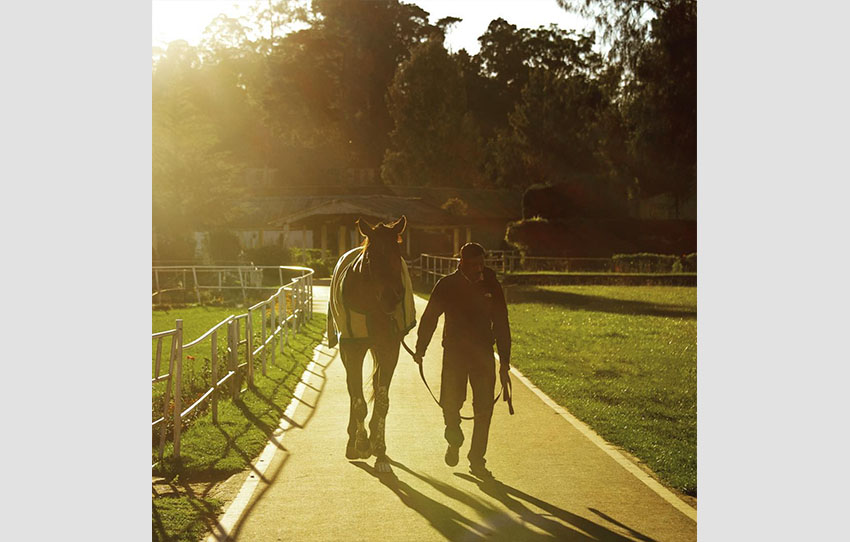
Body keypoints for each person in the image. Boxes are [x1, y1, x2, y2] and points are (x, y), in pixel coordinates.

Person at [413, 242, 511, 479]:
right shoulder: (446, 285)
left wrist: (505, 361)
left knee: (484, 408)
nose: (479, 269)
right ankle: (454, 437)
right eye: (473, 265)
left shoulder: (491, 284)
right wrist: (421, 348)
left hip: (483, 355)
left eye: (481, 264)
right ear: (461, 264)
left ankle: (477, 460)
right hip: (454, 354)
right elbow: (430, 317)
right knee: (450, 403)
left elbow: (501, 322)